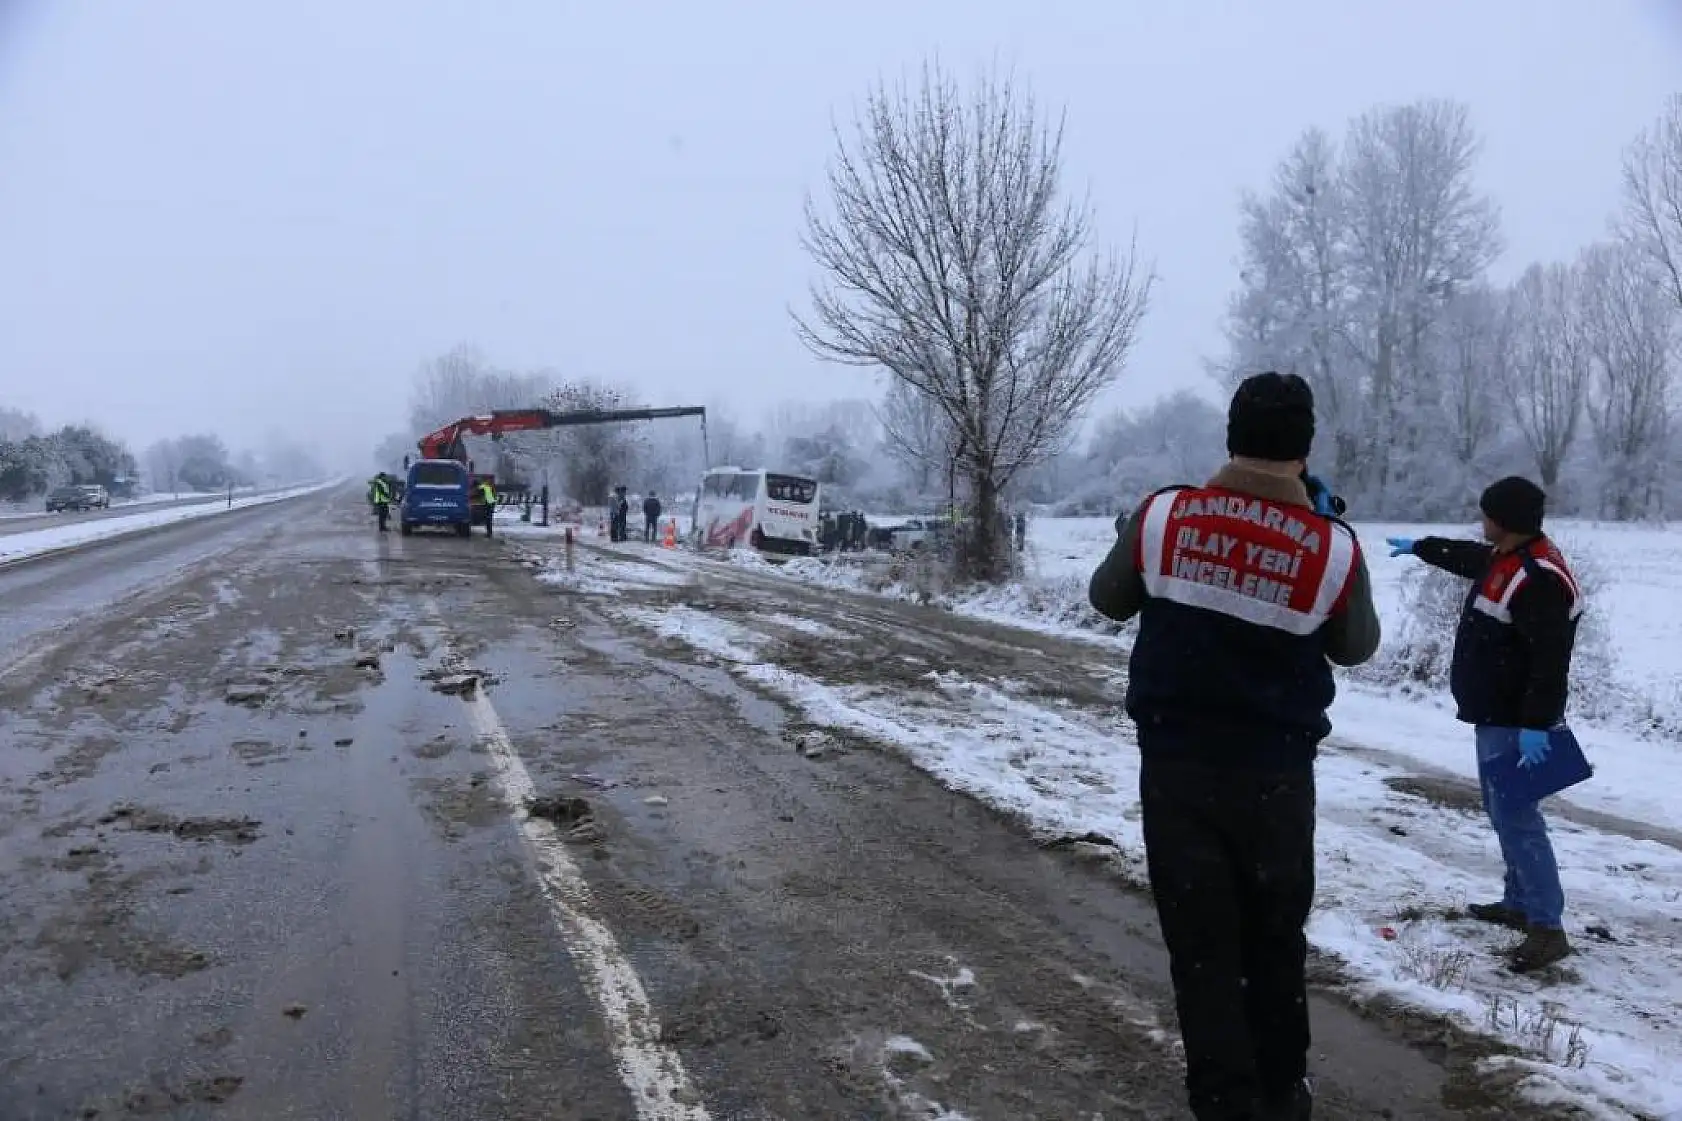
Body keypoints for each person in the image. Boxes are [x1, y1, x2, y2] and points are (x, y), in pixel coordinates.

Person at [1089, 371, 1381, 1121]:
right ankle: (1284, 1091)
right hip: (1278, 778)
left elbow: (1107, 598)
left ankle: (1224, 1099)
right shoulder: (1333, 547)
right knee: (1274, 937)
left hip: (1178, 768)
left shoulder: (1163, 516)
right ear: (1305, 446)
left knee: (1203, 944)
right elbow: (1356, 648)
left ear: (1229, 433)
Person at [1386, 477, 1581, 972]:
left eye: (1487, 514)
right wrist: (1422, 548)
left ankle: (1546, 927)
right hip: (1498, 716)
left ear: (1506, 520)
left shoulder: (1537, 578)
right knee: (1504, 814)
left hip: (1518, 724)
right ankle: (1518, 903)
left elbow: (1549, 661)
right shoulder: (1510, 559)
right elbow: (1472, 559)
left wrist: (1537, 723)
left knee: (1519, 820)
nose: (1482, 521)